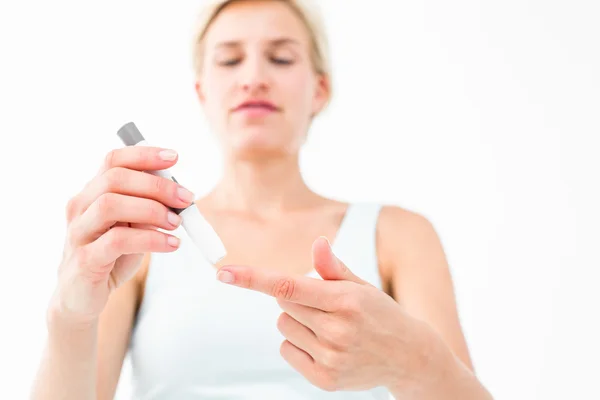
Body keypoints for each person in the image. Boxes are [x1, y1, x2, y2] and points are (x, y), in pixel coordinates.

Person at [31, 0, 494, 399]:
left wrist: (408, 359)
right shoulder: (142, 244)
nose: (253, 77)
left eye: (281, 58)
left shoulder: (398, 236)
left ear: (320, 89)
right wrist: (68, 317)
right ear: (202, 91)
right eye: (230, 60)